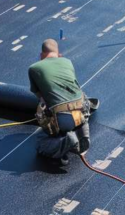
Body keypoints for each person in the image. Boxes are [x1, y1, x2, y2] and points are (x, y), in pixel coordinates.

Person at [29, 39, 91, 167]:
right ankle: (83, 134)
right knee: (78, 100)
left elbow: (41, 98)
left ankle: (68, 140)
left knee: (40, 143)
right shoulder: (67, 62)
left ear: (41, 55)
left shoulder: (34, 68)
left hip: (63, 120)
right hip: (83, 110)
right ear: (59, 54)